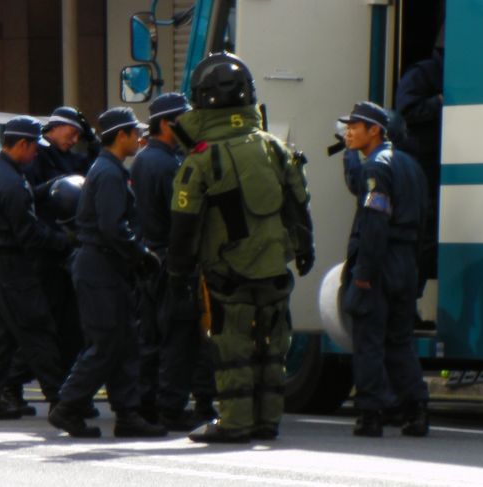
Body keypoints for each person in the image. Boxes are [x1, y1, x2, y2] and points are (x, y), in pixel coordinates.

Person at [167, 52, 315, 443]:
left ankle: (234, 422)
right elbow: (298, 202)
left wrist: (178, 271)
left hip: (226, 271)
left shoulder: (201, 159)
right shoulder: (273, 147)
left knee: (232, 347)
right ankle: (267, 421)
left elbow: (184, 224)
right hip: (274, 266)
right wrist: (304, 249)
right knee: (272, 346)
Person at [48, 107, 167, 439]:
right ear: (121, 136)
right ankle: (68, 407)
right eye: (135, 133)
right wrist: (141, 255)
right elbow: (112, 227)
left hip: (109, 266)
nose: (140, 138)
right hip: (100, 266)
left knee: (126, 342)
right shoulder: (109, 173)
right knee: (105, 343)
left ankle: (127, 415)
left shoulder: (109, 169)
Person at [0, 116, 70, 420]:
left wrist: (43, 189)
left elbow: (11, 205)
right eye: (34, 147)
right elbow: (30, 234)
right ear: (22, 144)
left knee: (0, 334)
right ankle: (61, 401)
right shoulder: (13, 183)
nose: (37, 153)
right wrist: (65, 240)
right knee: (38, 330)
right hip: (11, 266)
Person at [338, 101, 430, 437]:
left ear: (375, 130)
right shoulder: (411, 166)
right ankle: (416, 409)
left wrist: (364, 272)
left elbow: (374, 224)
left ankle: (371, 414)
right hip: (406, 263)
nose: (349, 131)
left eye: (356, 126)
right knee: (400, 340)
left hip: (379, 262)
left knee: (369, 340)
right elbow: (422, 221)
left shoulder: (376, 168)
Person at [1, 106, 99, 417]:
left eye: (78, 135)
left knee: (71, 328)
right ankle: (12, 386)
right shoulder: (37, 157)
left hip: (67, 249)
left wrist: (92, 137)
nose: (74, 140)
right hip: (45, 252)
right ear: (54, 129)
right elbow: (30, 197)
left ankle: (68, 392)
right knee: (43, 326)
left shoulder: (69, 157)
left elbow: (91, 168)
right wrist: (58, 186)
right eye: (71, 133)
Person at [131, 92, 216, 431]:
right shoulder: (168, 164)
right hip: (170, 260)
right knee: (178, 338)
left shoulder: (144, 159)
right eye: (184, 120)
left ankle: (149, 403)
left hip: (150, 258)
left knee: (153, 337)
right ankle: (169, 406)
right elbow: (182, 215)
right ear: (167, 124)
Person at [395, 48, 444, 286]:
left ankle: (411, 298)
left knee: (429, 232)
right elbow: (406, 110)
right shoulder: (423, 73)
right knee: (421, 230)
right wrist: (438, 102)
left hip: (434, 163)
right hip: (420, 161)